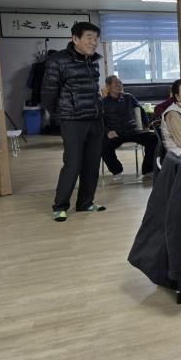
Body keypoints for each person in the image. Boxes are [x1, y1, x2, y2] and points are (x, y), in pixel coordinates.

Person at [41, 22, 106, 222]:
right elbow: (48, 94)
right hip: (72, 121)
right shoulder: (58, 60)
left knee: (92, 164)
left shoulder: (93, 61)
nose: (93, 42)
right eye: (89, 38)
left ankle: (85, 202)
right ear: (75, 39)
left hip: (95, 119)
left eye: (96, 38)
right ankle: (60, 206)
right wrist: (61, 116)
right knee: (73, 164)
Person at [101, 75, 157, 180]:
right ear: (108, 86)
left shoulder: (128, 97)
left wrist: (146, 125)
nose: (119, 85)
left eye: (120, 83)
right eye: (116, 83)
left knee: (154, 138)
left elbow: (141, 110)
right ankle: (116, 171)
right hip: (115, 133)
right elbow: (99, 120)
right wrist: (107, 132)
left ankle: (148, 169)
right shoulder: (103, 102)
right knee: (102, 145)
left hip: (132, 131)